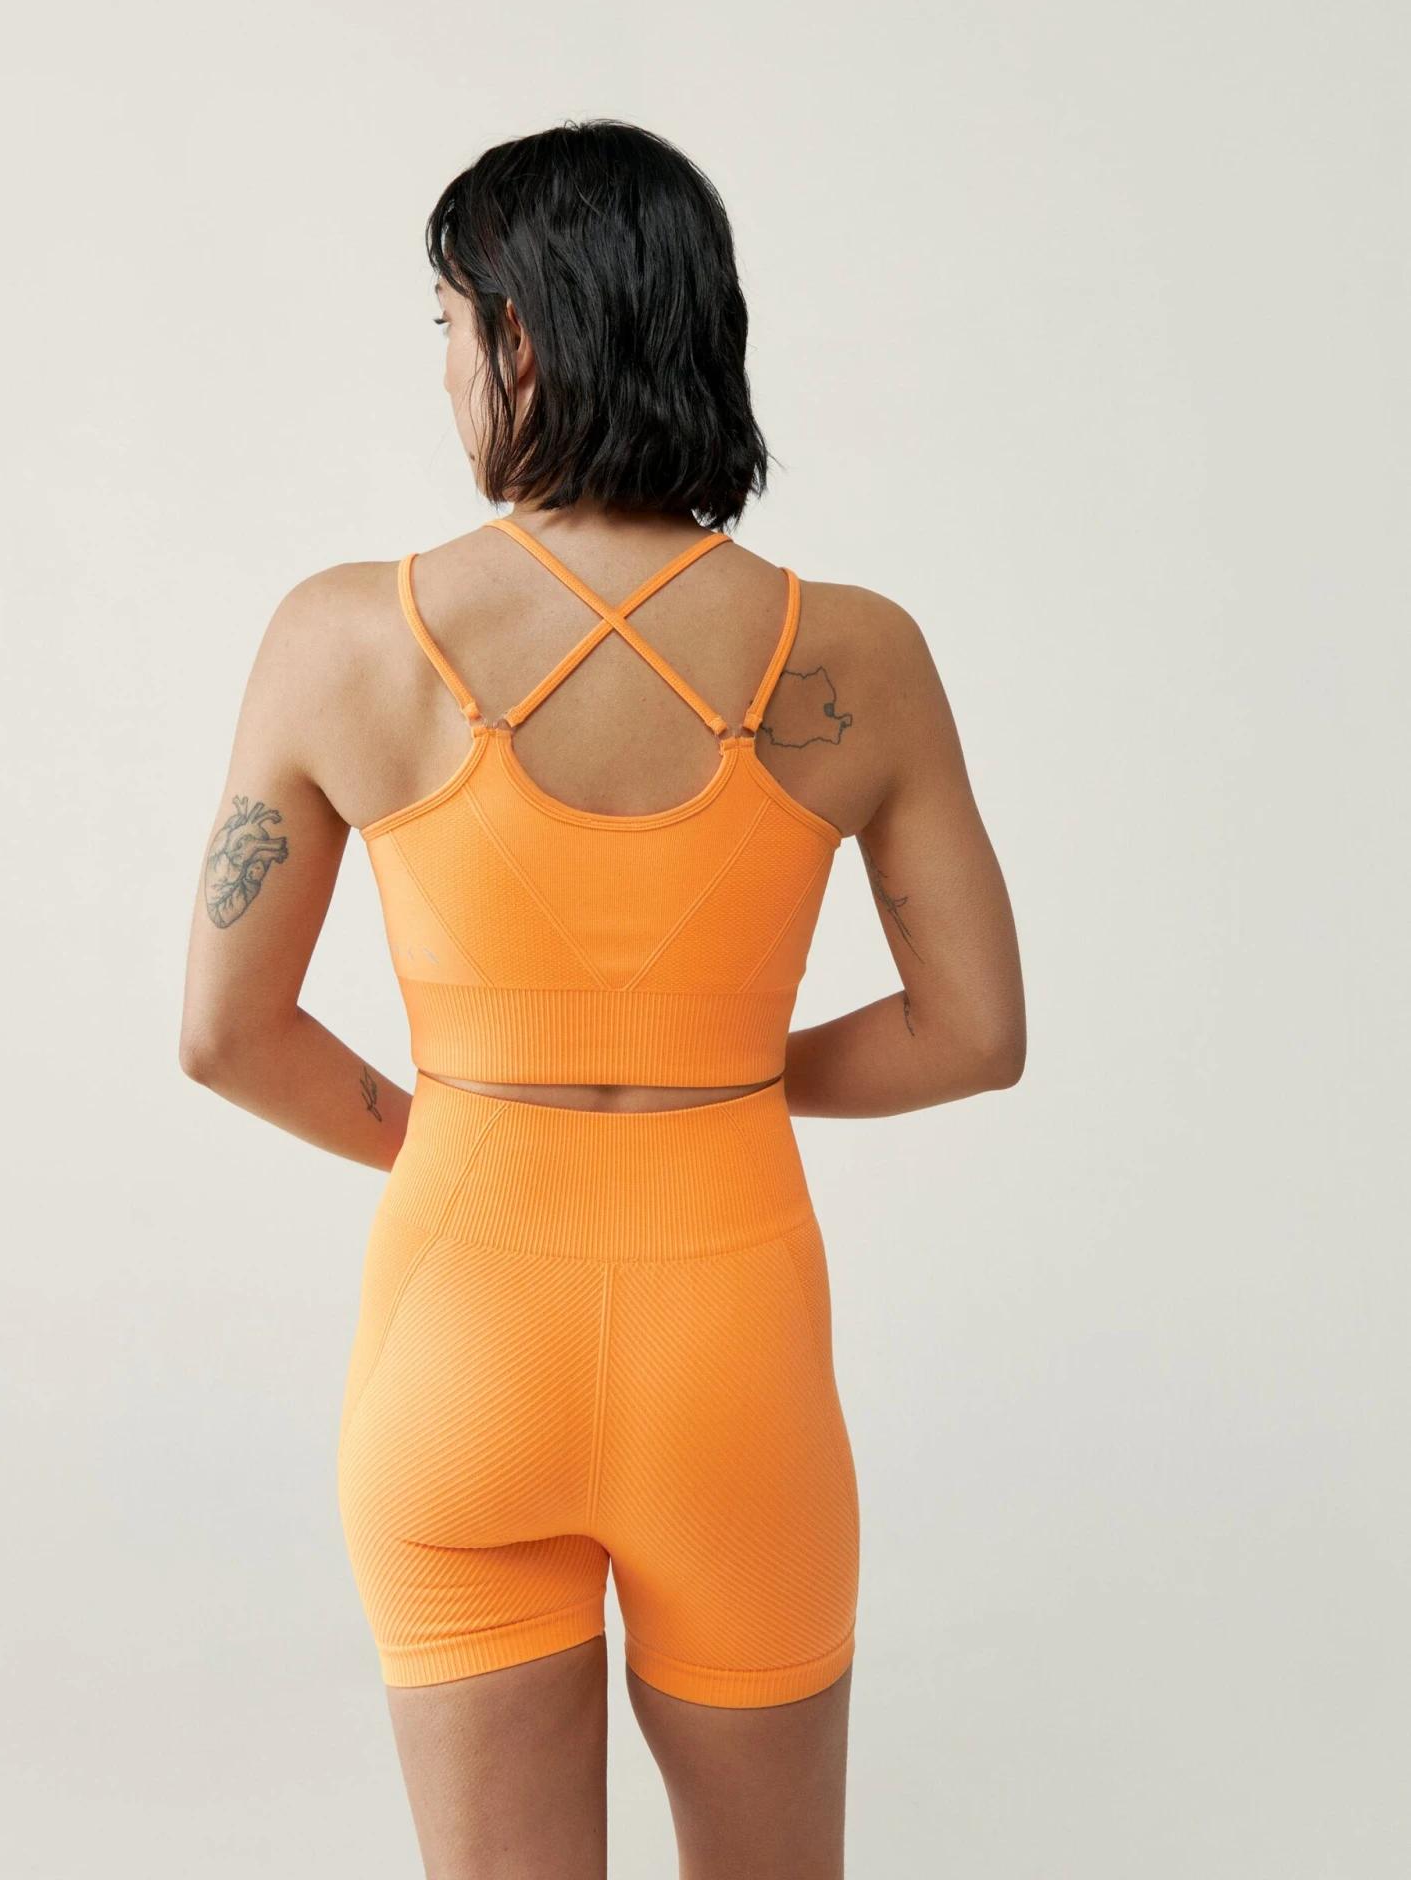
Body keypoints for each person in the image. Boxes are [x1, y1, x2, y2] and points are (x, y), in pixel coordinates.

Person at [180, 119, 1025, 1880]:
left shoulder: (342, 638)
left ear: (522, 336)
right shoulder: (856, 654)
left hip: (459, 1330)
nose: (444, 371)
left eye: (444, 326)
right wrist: (721, 1074)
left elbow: (225, 1031)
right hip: (735, 1349)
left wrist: (467, 1127)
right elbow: (973, 1032)